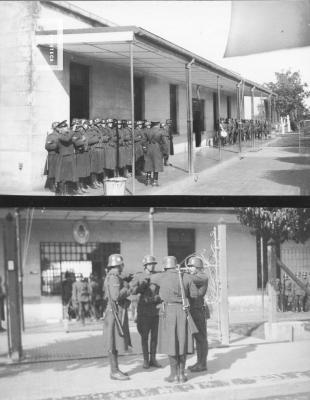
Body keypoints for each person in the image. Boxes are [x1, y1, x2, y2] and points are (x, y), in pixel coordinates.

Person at [153, 256, 194, 383]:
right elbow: (194, 294)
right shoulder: (185, 277)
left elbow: (151, 279)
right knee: (183, 342)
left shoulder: (160, 277)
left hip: (168, 312)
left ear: (165, 266)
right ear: (176, 265)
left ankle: (173, 375)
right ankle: (181, 375)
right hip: (183, 311)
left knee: (171, 343)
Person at [103, 254, 132, 380]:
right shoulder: (114, 277)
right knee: (112, 342)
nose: (123, 267)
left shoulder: (113, 275)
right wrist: (127, 288)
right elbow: (115, 296)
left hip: (113, 311)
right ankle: (114, 371)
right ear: (119, 265)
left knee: (114, 341)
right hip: (113, 312)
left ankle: (115, 369)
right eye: (122, 264)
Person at [130, 255, 162, 369]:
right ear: (145, 265)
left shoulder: (158, 276)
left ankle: (153, 359)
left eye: (154, 264)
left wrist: (157, 298)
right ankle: (145, 360)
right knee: (144, 337)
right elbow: (132, 291)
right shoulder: (139, 276)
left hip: (155, 311)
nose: (152, 266)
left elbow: (163, 291)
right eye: (150, 264)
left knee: (154, 337)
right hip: (143, 311)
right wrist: (141, 285)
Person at [186, 256, 208, 372]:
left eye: (191, 266)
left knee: (201, 339)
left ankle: (202, 364)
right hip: (194, 310)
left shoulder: (202, 276)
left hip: (199, 310)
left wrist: (179, 273)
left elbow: (190, 279)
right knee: (198, 338)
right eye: (189, 266)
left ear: (198, 267)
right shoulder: (193, 277)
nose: (189, 268)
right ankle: (199, 362)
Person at [142, 121, 168, 186]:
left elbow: (143, 141)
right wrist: (165, 152)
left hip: (149, 148)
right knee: (157, 165)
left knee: (149, 164)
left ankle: (147, 180)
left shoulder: (147, 131)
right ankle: (155, 182)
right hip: (157, 149)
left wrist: (145, 148)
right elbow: (165, 143)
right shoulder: (161, 131)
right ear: (158, 124)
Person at [54, 120, 77, 196]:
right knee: (62, 178)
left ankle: (66, 193)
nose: (67, 128)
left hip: (70, 157)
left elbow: (73, 141)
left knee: (69, 177)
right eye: (65, 127)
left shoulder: (67, 135)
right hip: (64, 158)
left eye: (66, 126)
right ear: (60, 129)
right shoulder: (59, 136)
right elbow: (67, 139)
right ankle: (61, 194)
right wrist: (72, 130)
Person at [72, 121, 90, 194]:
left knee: (82, 172)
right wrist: (82, 140)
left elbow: (87, 142)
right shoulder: (75, 133)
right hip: (78, 154)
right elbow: (76, 143)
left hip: (84, 153)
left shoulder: (83, 132)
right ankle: (77, 188)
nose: (80, 127)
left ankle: (81, 186)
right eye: (78, 126)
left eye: (80, 126)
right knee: (78, 172)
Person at [44, 121, 59, 192]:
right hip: (53, 155)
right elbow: (47, 146)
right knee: (52, 171)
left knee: (59, 171)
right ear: (54, 128)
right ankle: (52, 186)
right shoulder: (50, 136)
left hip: (60, 155)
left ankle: (58, 185)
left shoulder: (61, 135)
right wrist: (57, 146)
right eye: (57, 126)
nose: (59, 128)